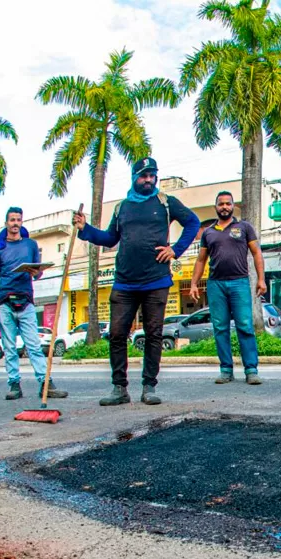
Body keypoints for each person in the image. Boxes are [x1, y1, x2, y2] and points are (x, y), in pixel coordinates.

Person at [73, 157, 200, 406]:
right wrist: (85, 229)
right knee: (118, 334)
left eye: (152, 174)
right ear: (135, 177)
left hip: (156, 280)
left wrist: (176, 249)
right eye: (144, 175)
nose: (149, 179)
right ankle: (119, 388)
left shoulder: (165, 202)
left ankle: (149, 386)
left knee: (153, 334)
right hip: (124, 282)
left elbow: (193, 222)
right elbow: (110, 239)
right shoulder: (123, 207)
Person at [0, 207, 68, 401]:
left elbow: (38, 272)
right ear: (6, 223)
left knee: (33, 345)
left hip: (27, 301)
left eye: (18, 220)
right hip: (5, 302)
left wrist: (36, 272)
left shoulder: (31, 245)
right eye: (12, 220)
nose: (15, 223)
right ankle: (14, 384)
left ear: (22, 222)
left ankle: (45, 384)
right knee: (9, 347)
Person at [189, 191, 266, 385]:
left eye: (228, 203)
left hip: (240, 282)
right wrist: (193, 284)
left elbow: (257, 253)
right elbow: (201, 260)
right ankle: (226, 370)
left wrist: (261, 279)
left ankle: (251, 370)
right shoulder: (208, 232)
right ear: (216, 206)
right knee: (220, 328)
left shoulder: (244, 227)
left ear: (233, 206)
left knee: (245, 326)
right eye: (221, 203)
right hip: (216, 285)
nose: (225, 207)